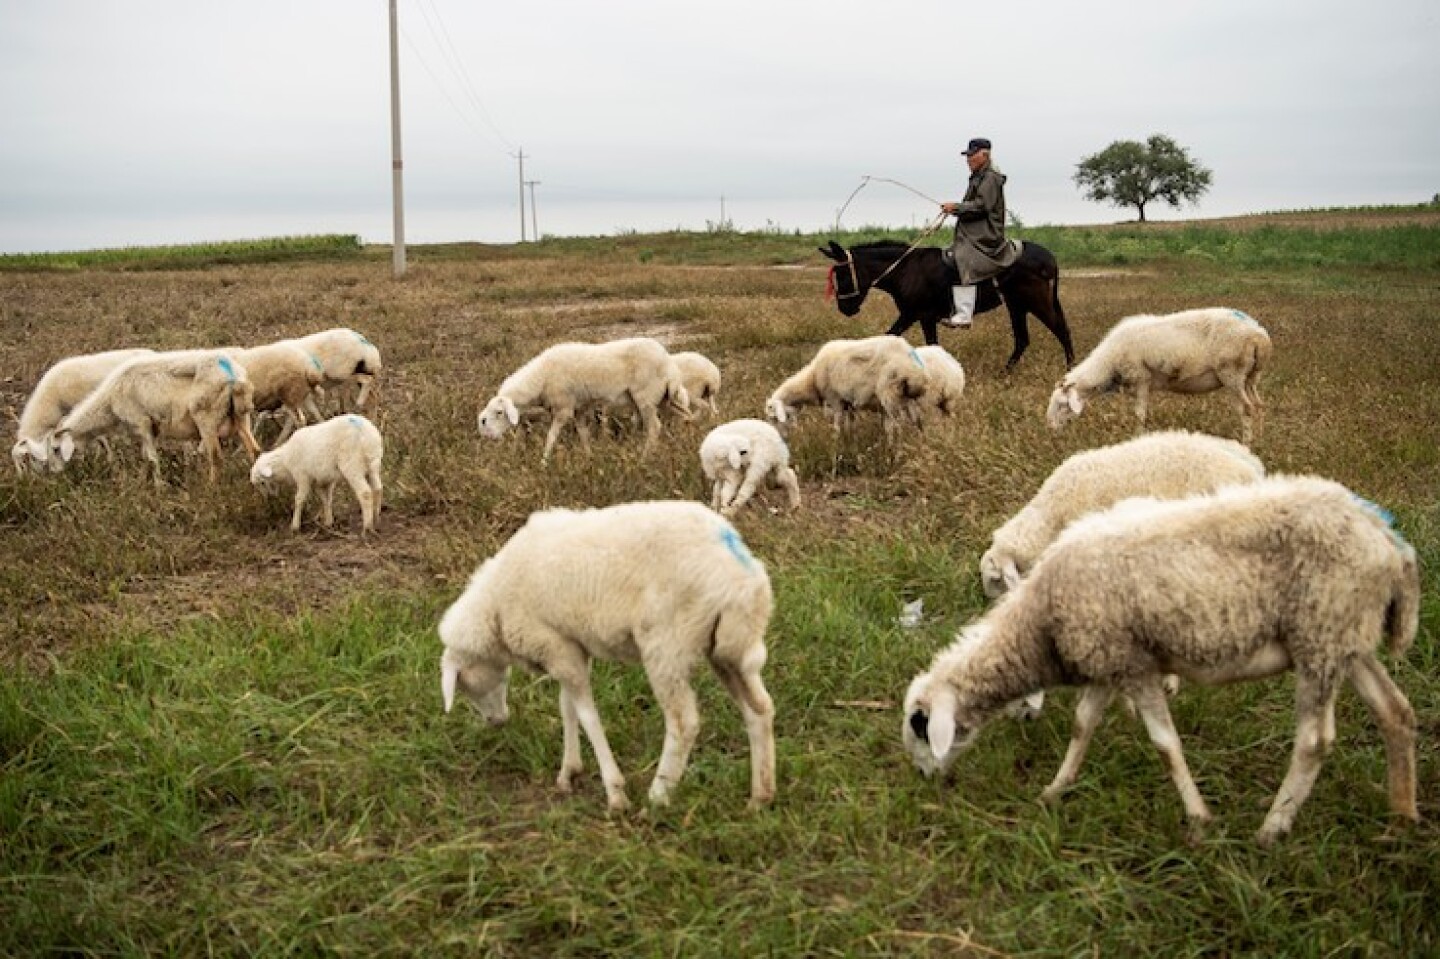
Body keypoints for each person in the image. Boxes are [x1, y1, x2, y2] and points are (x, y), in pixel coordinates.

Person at [939, 137, 1018, 329]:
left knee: (963, 256)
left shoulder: (990, 177)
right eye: (967, 156)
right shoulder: (979, 176)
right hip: (974, 231)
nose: (968, 160)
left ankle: (964, 315)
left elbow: (982, 206)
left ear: (984, 154)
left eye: (972, 155)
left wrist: (956, 207)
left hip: (986, 233)